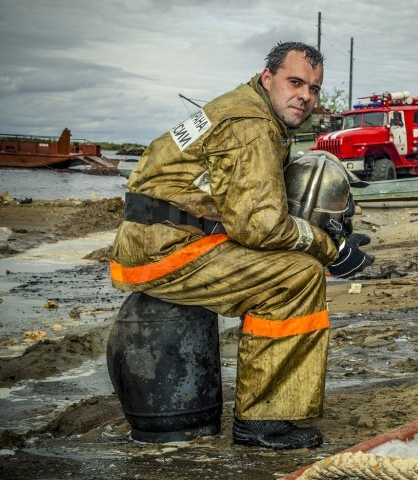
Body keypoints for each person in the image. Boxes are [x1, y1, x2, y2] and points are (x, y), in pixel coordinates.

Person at [109, 41, 373, 450]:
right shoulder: (251, 125)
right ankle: (262, 421)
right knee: (296, 277)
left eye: (314, 88)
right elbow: (261, 227)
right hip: (166, 252)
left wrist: (327, 234)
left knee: (293, 262)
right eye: (295, 82)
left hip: (159, 239)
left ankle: (264, 409)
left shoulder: (243, 106)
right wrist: (328, 249)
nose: (305, 95)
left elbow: (250, 204)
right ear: (268, 78)